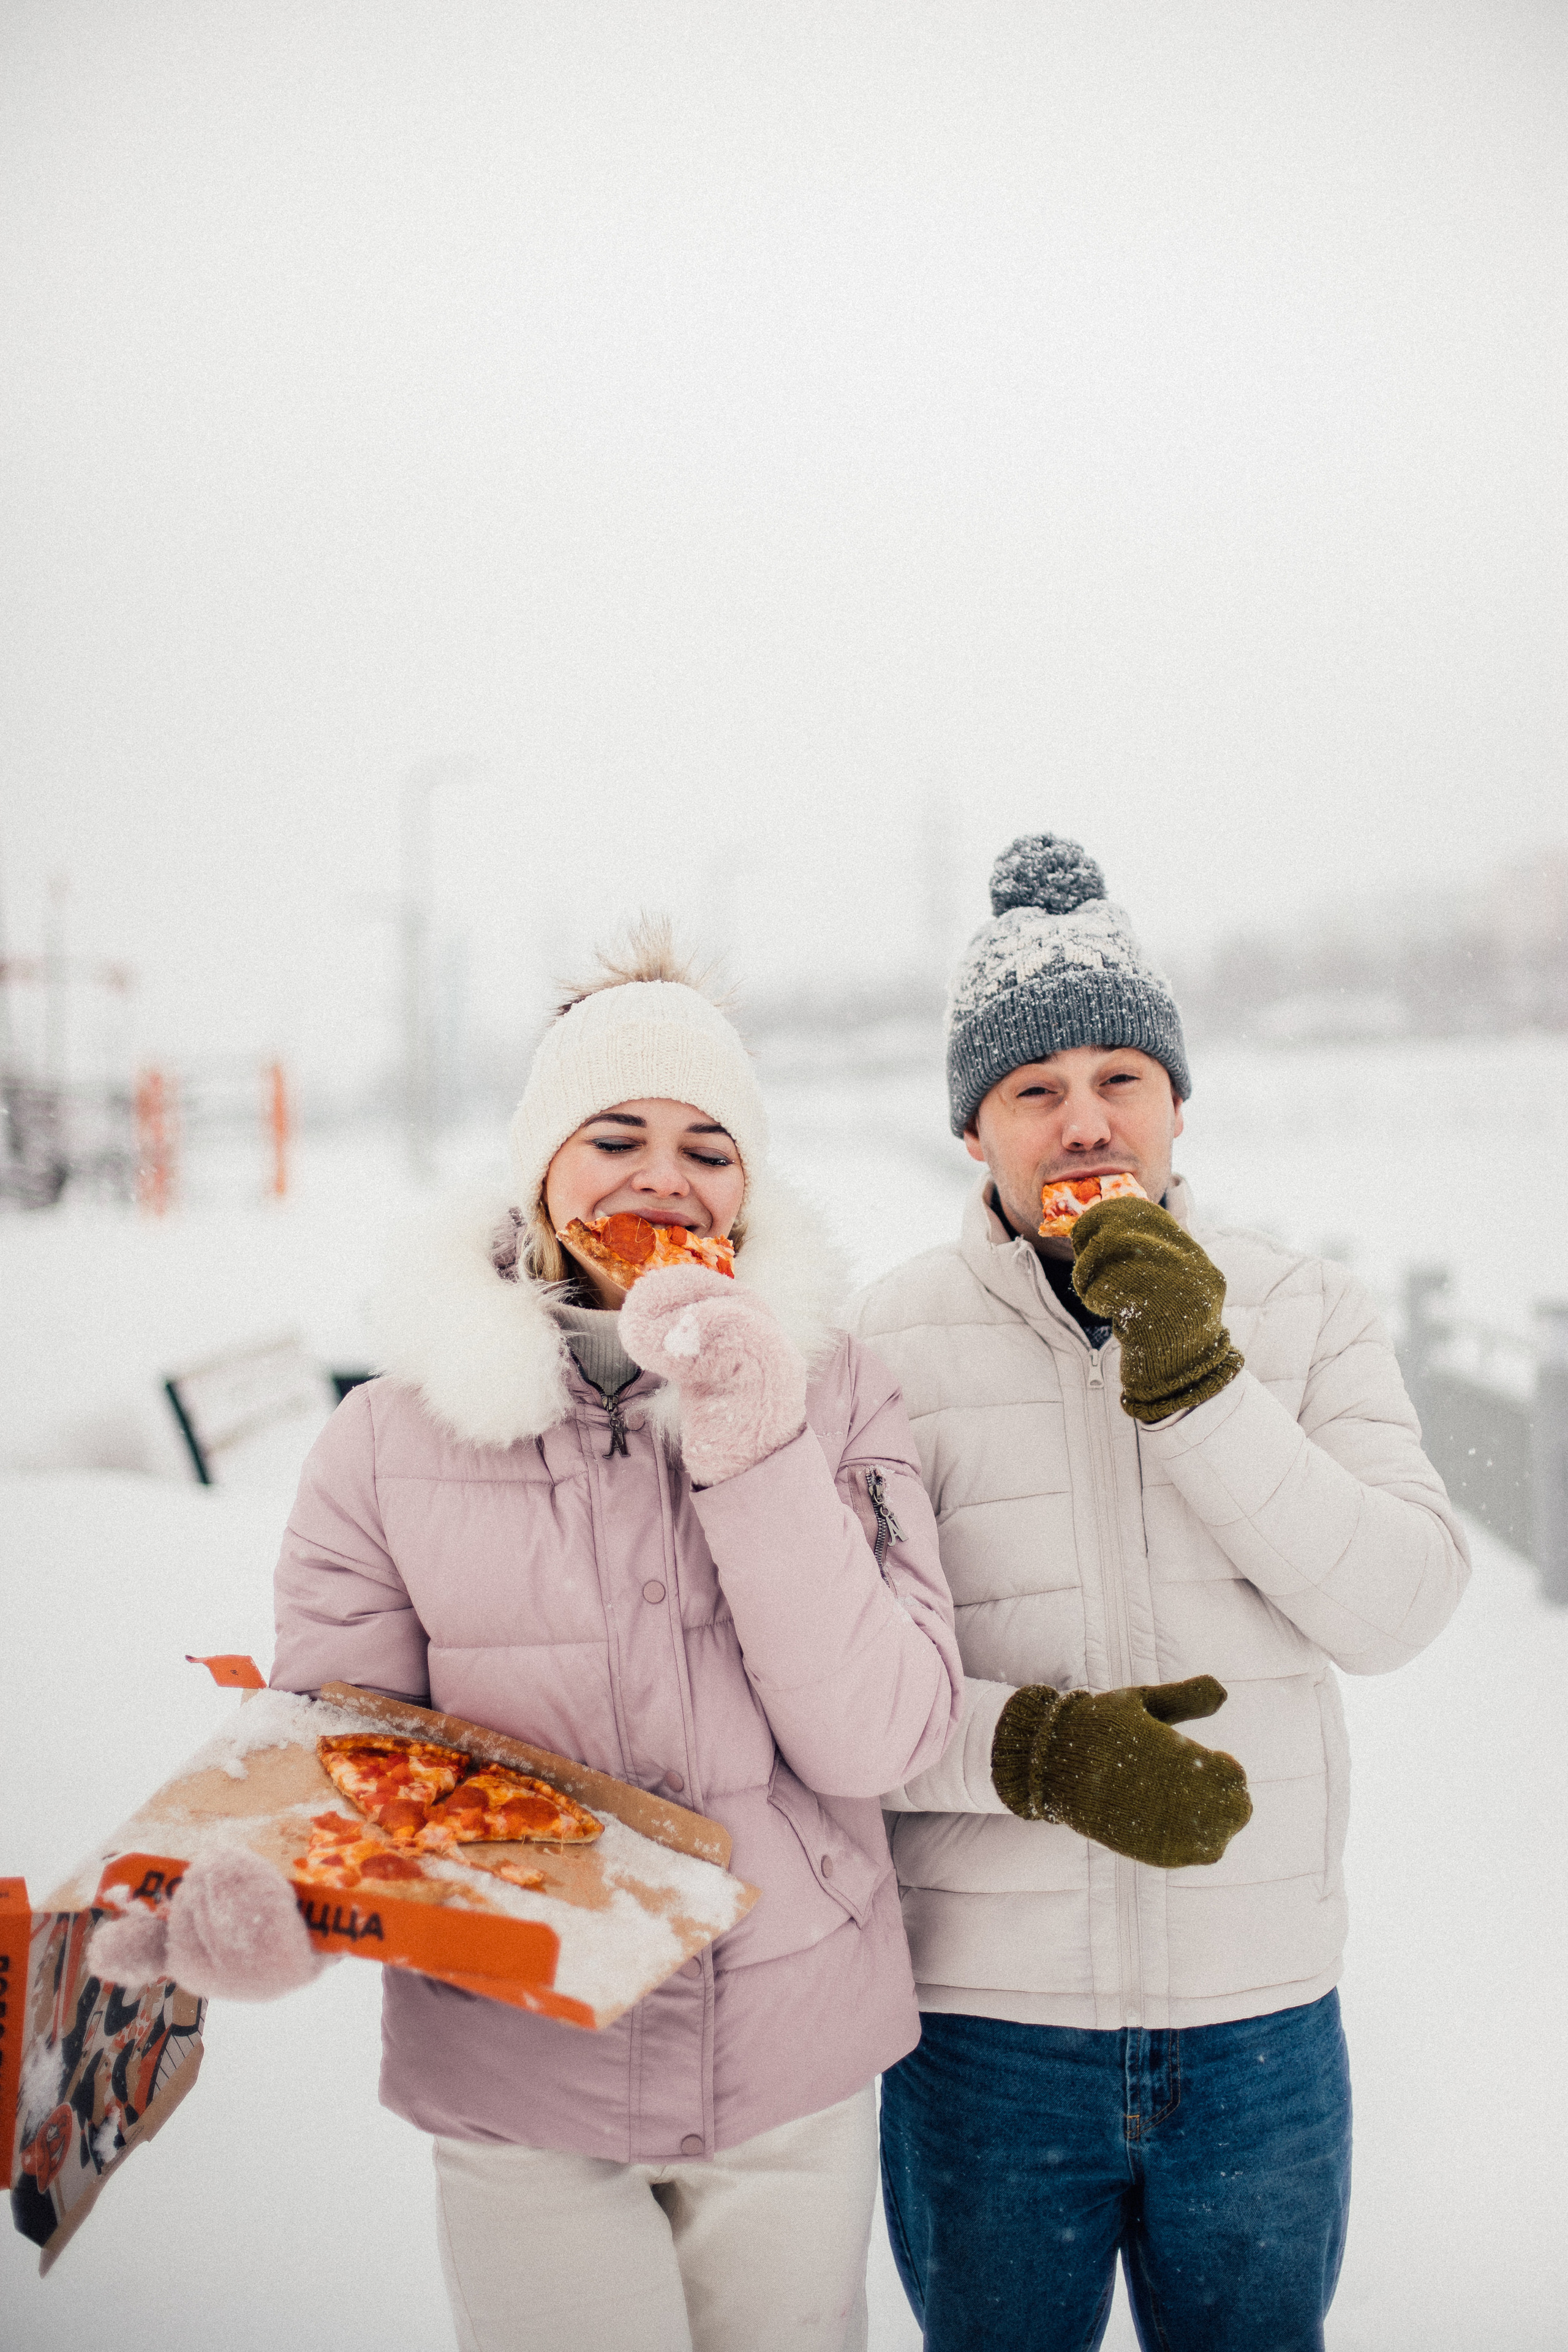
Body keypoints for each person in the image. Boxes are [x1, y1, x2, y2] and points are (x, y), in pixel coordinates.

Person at [99, 928, 961, 2352]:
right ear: (540, 1169)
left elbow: (878, 1736)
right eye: (613, 1137)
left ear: (747, 1187)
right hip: (517, 2066)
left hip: (791, 2064)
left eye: (707, 1148)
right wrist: (278, 1903)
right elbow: (343, 1761)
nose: (662, 1179)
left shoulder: (838, 1391)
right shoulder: (387, 1440)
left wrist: (754, 1440)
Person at [848, 834, 1470, 2352]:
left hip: (1257, 2031)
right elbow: (838, 1703)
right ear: (971, 1131)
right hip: (985, 2039)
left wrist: (1197, 1382)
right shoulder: (878, 1349)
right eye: (1031, 1089)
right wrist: (1045, 1756)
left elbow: (1395, 1609)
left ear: (1177, 1101)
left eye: (1119, 1075)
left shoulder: (1302, 1312)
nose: (1083, 1121)